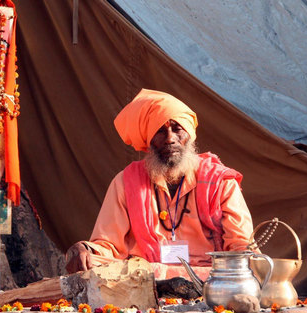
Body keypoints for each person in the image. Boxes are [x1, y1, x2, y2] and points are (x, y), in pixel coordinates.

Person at [65, 89, 254, 279]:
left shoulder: (220, 182)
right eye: (160, 131)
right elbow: (108, 246)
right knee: (89, 261)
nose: (170, 139)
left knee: (247, 265)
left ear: (189, 134)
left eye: (177, 128)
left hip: (210, 279)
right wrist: (86, 249)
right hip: (144, 280)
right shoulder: (126, 182)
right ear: (148, 140)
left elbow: (240, 245)